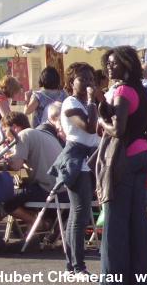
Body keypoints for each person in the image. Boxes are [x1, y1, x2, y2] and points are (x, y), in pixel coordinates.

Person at [97, 46, 147, 283]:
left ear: (127, 65)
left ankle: (112, 278)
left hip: (124, 160)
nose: (110, 67)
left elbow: (118, 130)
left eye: (114, 63)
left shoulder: (122, 90)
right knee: (137, 221)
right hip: (142, 155)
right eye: (109, 63)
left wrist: (103, 119)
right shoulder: (142, 91)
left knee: (115, 223)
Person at [58, 62, 101, 275]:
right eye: (82, 79)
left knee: (79, 214)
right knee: (80, 213)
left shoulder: (89, 104)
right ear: (71, 82)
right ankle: (77, 266)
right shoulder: (70, 103)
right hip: (76, 159)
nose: (88, 83)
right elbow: (89, 127)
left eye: (91, 79)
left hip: (90, 160)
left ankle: (71, 265)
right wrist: (93, 100)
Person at [0, 111, 64, 227]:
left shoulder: (22, 135)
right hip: (62, 190)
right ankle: (36, 227)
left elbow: (16, 167)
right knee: (20, 192)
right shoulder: (44, 134)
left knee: (3, 199)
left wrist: (4, 161)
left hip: (47, 190)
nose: (5, 137)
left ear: (14, 127)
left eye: (4, 131)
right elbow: (32, 171)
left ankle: (38, 224)